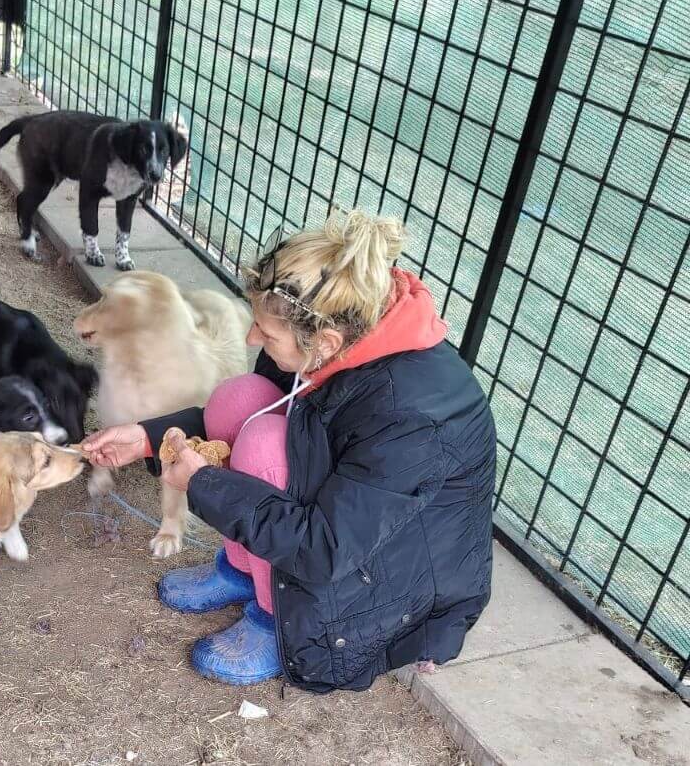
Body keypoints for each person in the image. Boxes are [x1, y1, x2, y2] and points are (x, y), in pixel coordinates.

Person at [82, 209, 496, 690]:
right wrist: (149, 437)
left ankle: (272, 615)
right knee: (239, 399)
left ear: (326, 342)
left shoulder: (412, 416)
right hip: (349, 533)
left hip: (389, 585)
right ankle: (243, 569)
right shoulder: (328, 338)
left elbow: (325, 547)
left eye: (266, 333)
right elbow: (255, 411)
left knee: (261, 443)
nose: (252, 337)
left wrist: (202, 485)